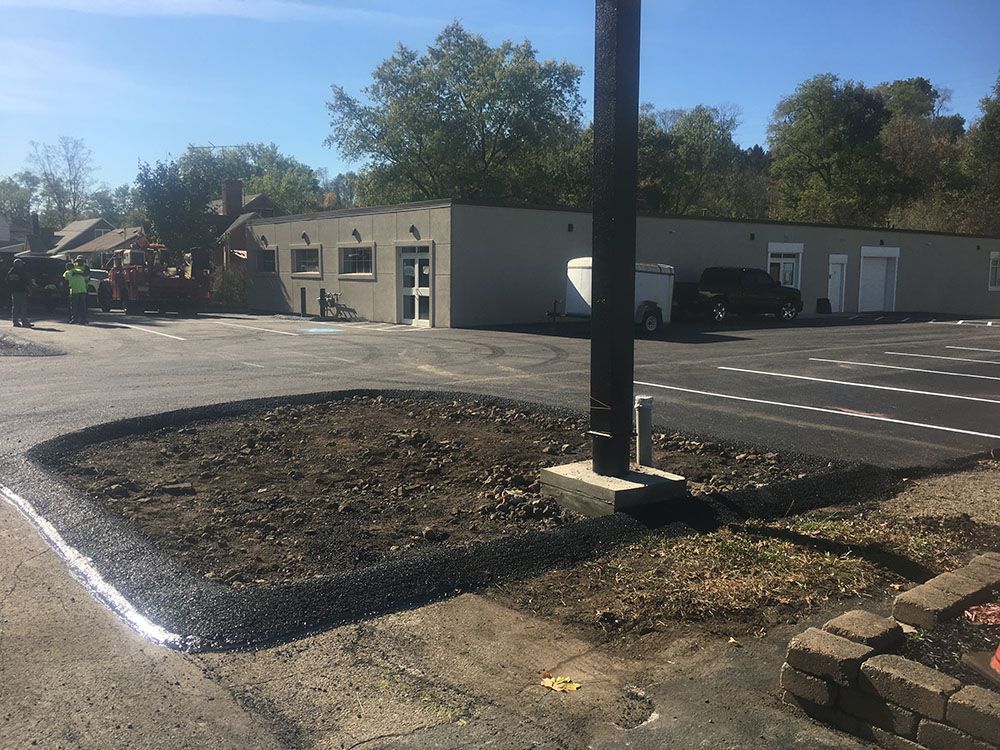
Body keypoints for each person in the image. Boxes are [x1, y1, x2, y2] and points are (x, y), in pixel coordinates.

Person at [7, 258, 33, 328]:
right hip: (22, 291)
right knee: (23, 307)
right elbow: (25, 282)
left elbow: (7, 282)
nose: (22, 265)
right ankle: (24, 322)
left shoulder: (10, 272)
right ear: (19, 264)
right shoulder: (21, 272)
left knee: (15, 307)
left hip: (14, 292)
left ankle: (15, 322)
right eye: (21, 264)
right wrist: (29, 290)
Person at [64, 256, 89, 324]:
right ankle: (76, 319)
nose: (79, 262)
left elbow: (86, 274)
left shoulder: (84, 268)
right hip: (78, 289)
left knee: (81, 306)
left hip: (80, 289)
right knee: (76, 306)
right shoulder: (74, 270)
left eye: (81, 260)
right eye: (78, 260)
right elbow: (84, 275)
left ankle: (82, 319)